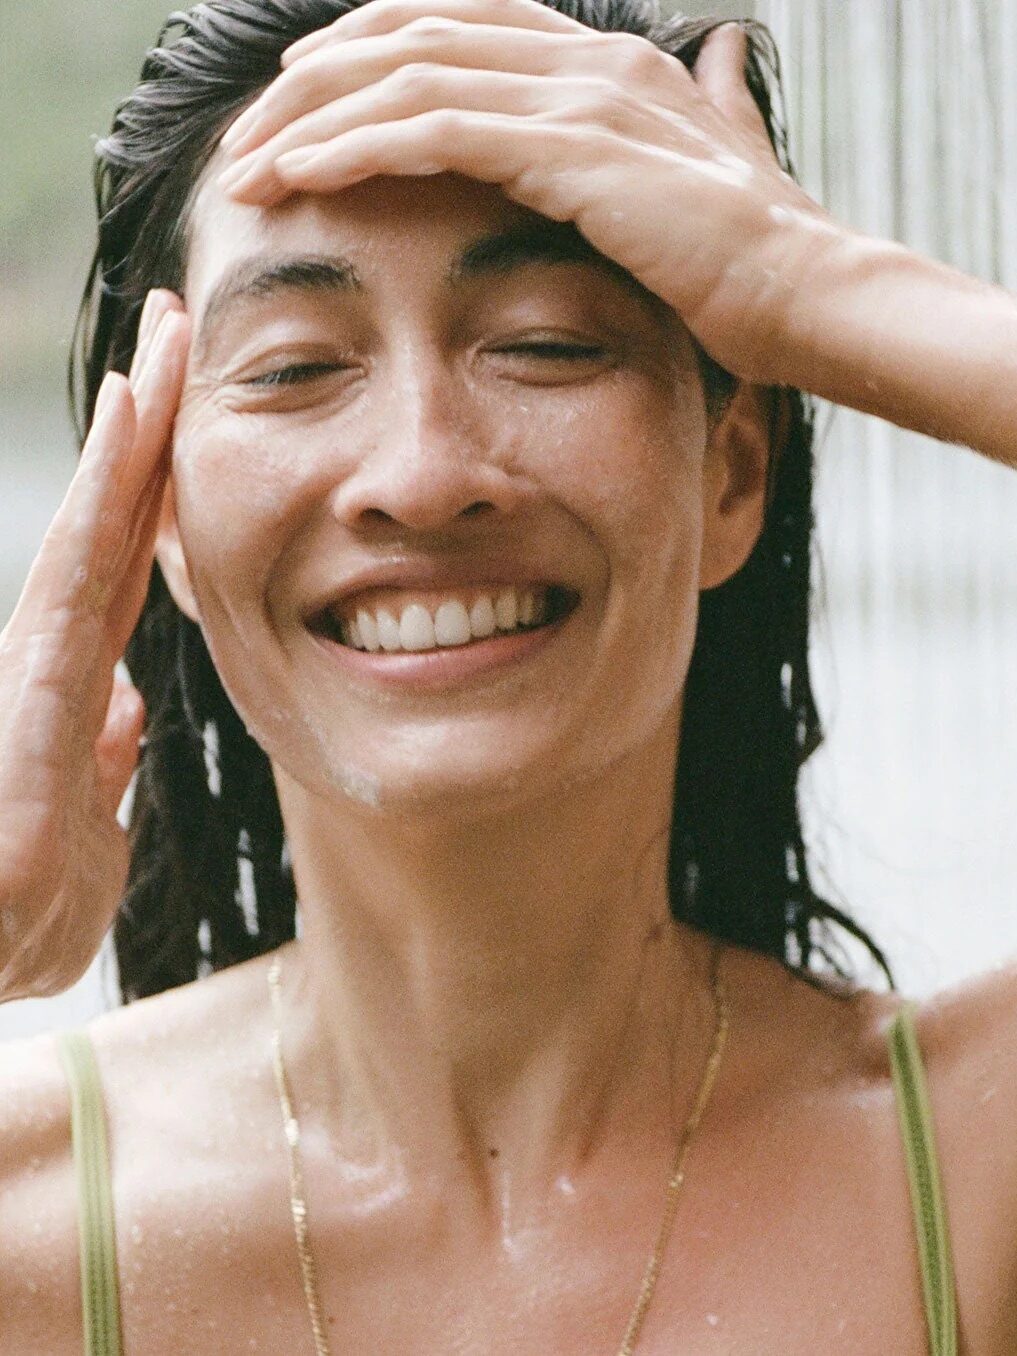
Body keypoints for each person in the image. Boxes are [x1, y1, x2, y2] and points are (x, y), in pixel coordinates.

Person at [0, 0, 1014, 1351]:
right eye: (295, 367)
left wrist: (808, 288)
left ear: (730, 470)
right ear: (162, 516)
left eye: (545, 342)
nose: (422, 472)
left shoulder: (970, 1161)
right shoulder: (29, 1224)